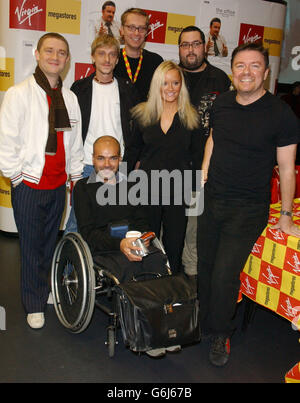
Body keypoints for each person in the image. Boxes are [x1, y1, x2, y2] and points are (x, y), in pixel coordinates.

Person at [197, 42, 300, 367]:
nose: (246, 72)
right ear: (233, 70)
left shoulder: (281, 114)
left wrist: (285, 215)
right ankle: (202, 322)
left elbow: (286, 168)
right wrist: (203, 173)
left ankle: (220, 333)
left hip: (248, 207)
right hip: (213, 199)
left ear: (266, 73)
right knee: (205, 268)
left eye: (255, 66)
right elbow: (214, 137)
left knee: (225, 274)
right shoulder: (222, 103)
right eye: (240, 65)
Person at [0, 33, 84, 329]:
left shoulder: (70, 98)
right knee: (31, 246)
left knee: (50, 242)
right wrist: (17, 177)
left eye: (61, 52)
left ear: (67, 59)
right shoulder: (18, 93)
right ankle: (33, 303)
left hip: (58, 185)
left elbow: (75, 143)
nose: (55, 57)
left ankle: (45, 289)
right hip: (29, 185)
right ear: (37, 54)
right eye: (49, 51)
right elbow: (6, 140)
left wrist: (75, 178)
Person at [73, 136, 179, 358]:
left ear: (120, 159)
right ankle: (143, 335)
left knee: (157, 261)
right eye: (101, 158)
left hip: (133, 243)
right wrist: (120, 244)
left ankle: (163, 328)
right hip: (105, 249)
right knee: (130, 270)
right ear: (92, 159)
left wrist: (141, 240)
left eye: (112, 158)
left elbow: (142, 222)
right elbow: (88, 233)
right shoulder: (83, 189)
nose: (107, 164)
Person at [129, 61, 200, 274]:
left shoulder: (191, 117)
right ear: (156, 86)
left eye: (175, 83)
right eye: (165, 83)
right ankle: (148, 281)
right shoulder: (142, 115)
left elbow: (197, 158)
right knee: (147, 239)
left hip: (179, 191)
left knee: (175, 243)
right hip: (146, 189)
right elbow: (132, 152)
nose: (170, 89)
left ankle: (172, 287)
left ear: (182, 85)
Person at [64, 33, 140, 233]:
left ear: (117, 59)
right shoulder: (78, 89)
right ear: (92, 57)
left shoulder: (127, 88)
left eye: (112, 54)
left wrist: (131, 161)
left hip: (118, 166)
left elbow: (136, 129)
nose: (106, 59)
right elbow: (70, 130)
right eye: (101, 54)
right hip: (87, 165)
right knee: (76, 222)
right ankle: (68, 264)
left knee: (118, 222)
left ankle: (107, 264)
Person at [178, 25, 231, 276]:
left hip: (203, 169)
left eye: (196, 44)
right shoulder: (169, 75)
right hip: (169, 168)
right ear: (179, 49)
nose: (191, 50)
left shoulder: (220, 79)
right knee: (169, 228)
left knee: (194, 231)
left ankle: (190, 283)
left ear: (205, 46)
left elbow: (226, 128)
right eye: (185, 45)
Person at [114, 8, 164, 101]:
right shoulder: (112, 59)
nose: (136, 33)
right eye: (131, 27)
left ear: (146, 32)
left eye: (141, 28)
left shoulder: (156, 62)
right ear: (122, 30)